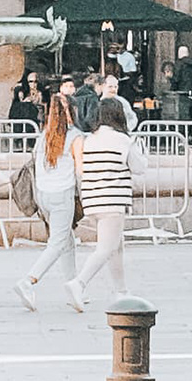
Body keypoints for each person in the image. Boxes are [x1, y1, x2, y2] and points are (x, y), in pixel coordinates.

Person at [71, 87, 137, 301]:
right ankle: (79, 282)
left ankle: (121, 290)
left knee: (115, 247)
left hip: (93, 198)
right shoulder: (122, 141)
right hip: (113, 199)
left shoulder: (89, 140)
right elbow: (140, 166)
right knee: (106, 248)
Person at [19, 77, 81, 305]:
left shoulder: (43, 136)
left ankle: (73, 286)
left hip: (44, 194)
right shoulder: (74, 136)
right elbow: (80, 170)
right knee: (57, 243)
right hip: (63, 193)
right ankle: (29, 280)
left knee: (67, 241)